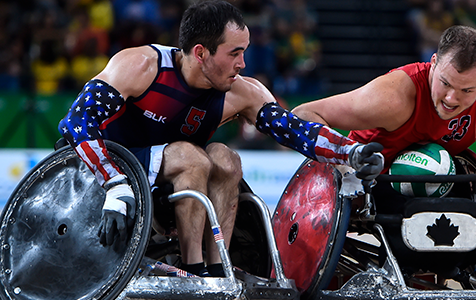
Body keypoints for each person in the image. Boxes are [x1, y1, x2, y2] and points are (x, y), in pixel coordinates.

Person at [58, 0, 382, 277]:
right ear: (201, 53)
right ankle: (192, 271)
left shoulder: (242, 91)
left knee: (225, 158)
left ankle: (216, 271)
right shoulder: (141, 65)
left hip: (171, 184)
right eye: (234, 53)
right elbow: (76, 121)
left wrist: (350, 153)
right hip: (110, 169)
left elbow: (295, 130)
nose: (242, 64)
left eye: (245, 53)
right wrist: (114, 182)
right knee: (191, 156)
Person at [291, 25, 476, 261]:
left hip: (435, 185)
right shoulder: (392, 96)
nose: (451, 98)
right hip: (369, 181)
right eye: (445, 83)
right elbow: (303, 114)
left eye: (467, 90)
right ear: (433, 62)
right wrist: (347, 161)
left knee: (465, 215)